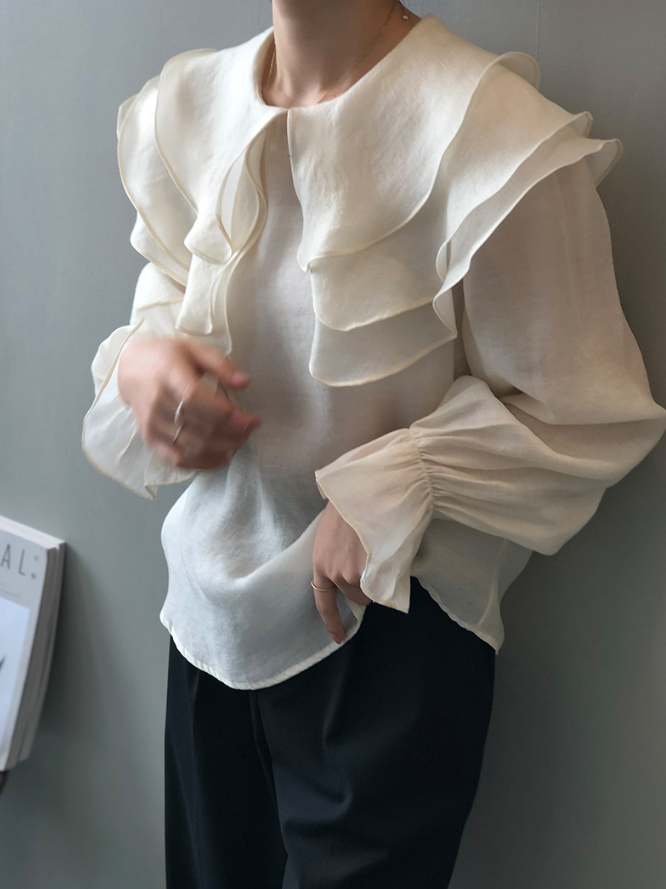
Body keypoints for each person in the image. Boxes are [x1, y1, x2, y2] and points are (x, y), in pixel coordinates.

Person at [82, 2, 666, 886]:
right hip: (206, 624)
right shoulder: (196, 105)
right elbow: (172, 283)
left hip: (389, 628)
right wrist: (142, 361)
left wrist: (402, 477)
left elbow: (589, 409)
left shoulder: (487, 133)